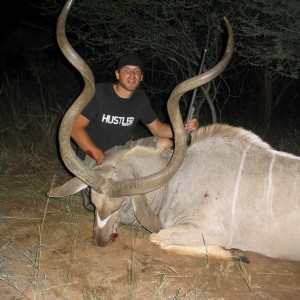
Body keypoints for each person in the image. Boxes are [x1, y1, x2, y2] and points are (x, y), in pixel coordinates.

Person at [71, 54, 199, 211]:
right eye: (127, 70)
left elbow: (158, 128)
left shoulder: (140, 99)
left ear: (141, 77)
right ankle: (89, 188)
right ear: (117, 74)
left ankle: (160, 194)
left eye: (136, 71)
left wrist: (182, 127)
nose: (132, 75)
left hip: (119, 152)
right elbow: (75, 129)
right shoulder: (99, 93)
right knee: (106, 198)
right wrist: (98, 155)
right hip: (91, 154)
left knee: (166, 144)